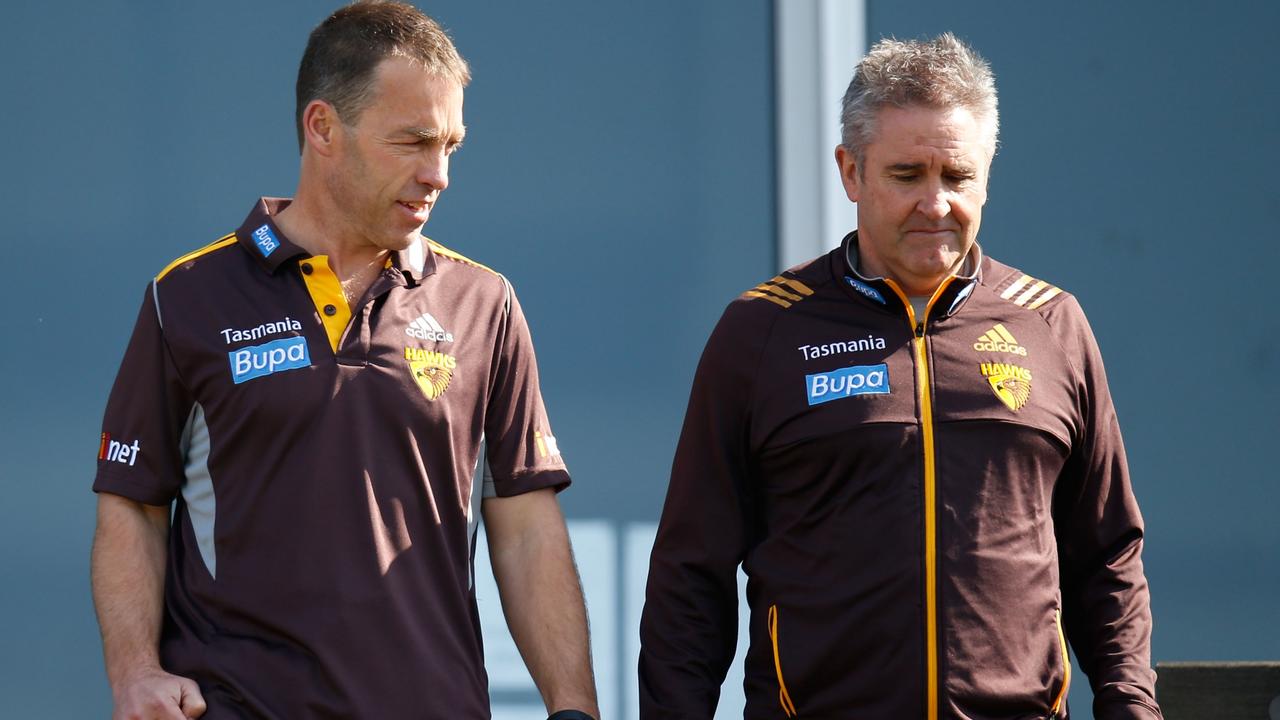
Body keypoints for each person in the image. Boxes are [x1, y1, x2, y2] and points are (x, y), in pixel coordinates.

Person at [90, 3, 598, 718]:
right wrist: (136, 671)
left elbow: (523, 523)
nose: (439, 174)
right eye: (414, 142)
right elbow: (133, 505)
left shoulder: (486, 304)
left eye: (451, 144)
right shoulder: (188, 298)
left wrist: (573, 707)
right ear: (323, 127)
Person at [639, 33, 1161, 719]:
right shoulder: (761, 331)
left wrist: (1131, 707)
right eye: (907, 175)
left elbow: (1108, 556)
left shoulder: (1053, 325)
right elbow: (690, 576)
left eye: (958, 177)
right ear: (851, 172)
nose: (936, 203)